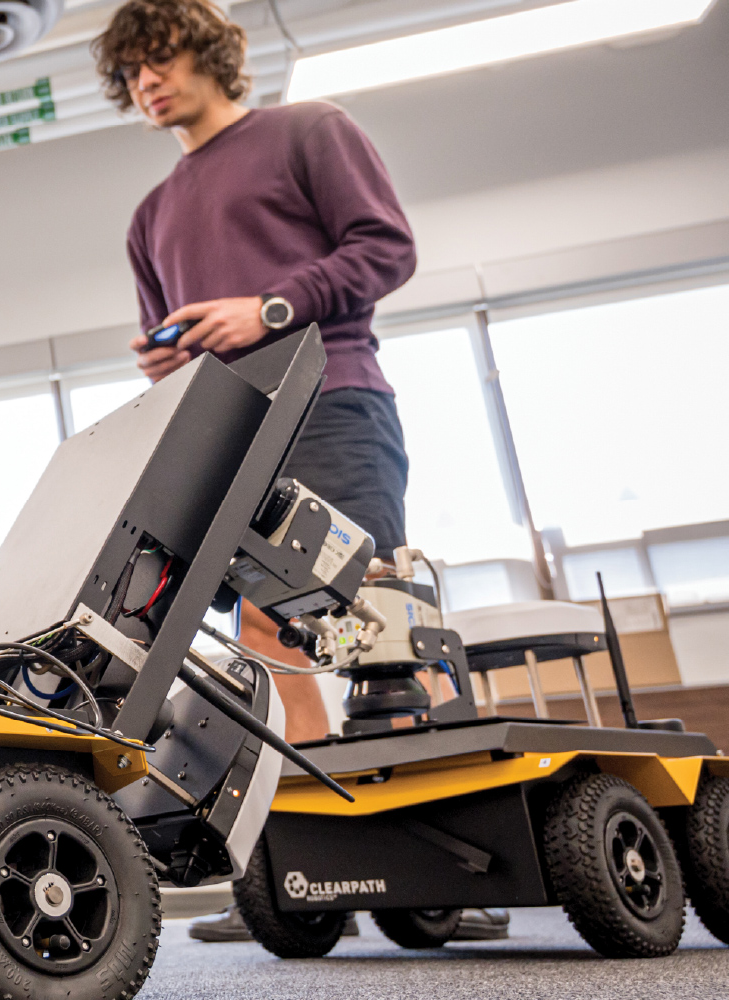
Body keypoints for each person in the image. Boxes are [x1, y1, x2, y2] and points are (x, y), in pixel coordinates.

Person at [92, 0, 505, 943]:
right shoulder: (149, 215)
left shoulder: (309, 130)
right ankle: (310, 865)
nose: (145, 83)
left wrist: (272, 310)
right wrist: (172, 359)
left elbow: (386, 248)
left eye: (157, 58)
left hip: (330, 400)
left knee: (374, 630)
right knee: (273, 650)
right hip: (232, 436)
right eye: (129, 75)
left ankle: (444, 869)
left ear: (207, 49)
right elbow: (196, 336)